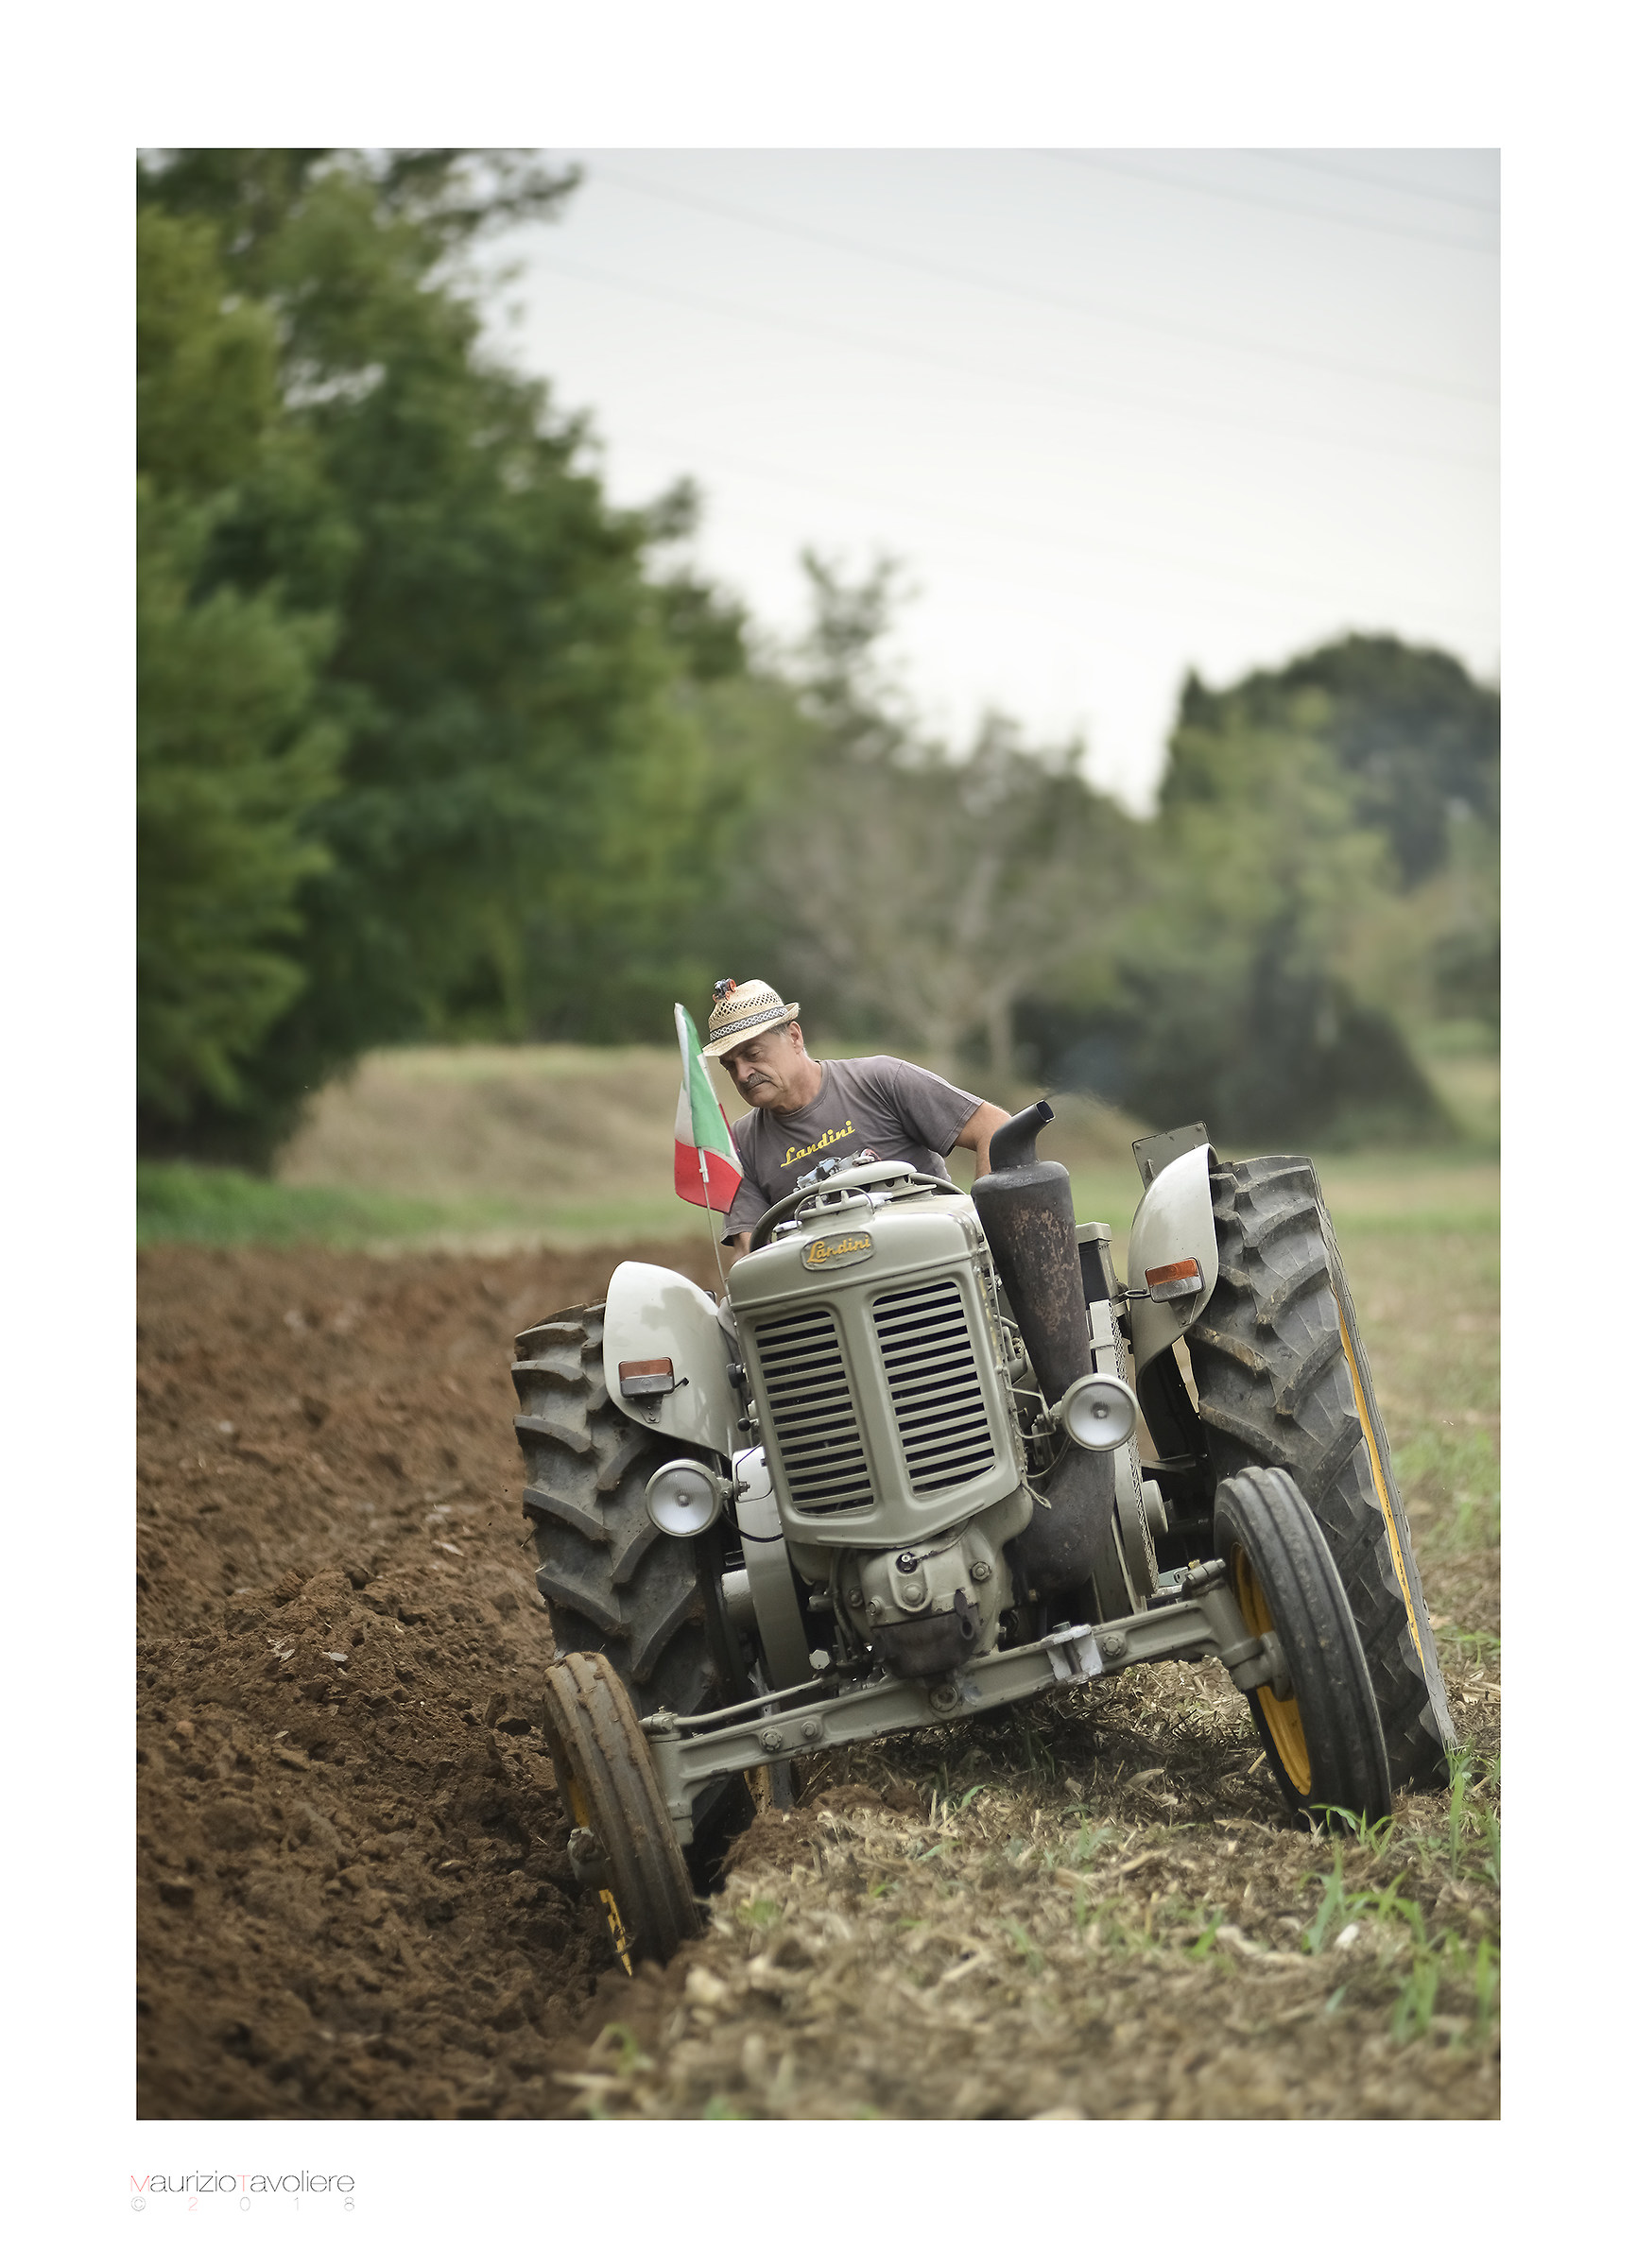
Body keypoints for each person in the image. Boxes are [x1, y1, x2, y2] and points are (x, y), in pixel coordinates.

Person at [701, 977, 1012, 1262]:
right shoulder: (740, 1144)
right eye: (730, 1065)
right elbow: (748, 1252)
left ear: (794, 1037)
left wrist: (985, 1235)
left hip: (933, 1265)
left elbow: (993, 1127)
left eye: (753, 1055)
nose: (742, 1074)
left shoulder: (879, 1081)